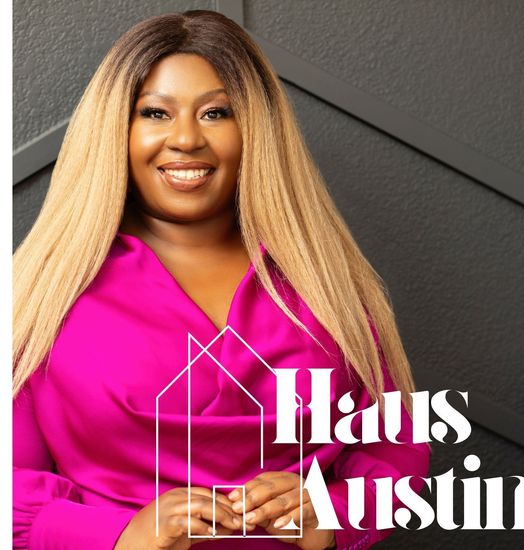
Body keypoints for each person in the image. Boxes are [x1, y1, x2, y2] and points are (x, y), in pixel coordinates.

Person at [13, 10, 431, 550]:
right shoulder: (44, 292)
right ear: (116, 127)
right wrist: (118, 535)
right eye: (155, 112)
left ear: (255, 129)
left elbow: (393, 446)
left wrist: (333, 513)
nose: (186, 139)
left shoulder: (328, 284)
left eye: (216, 112)